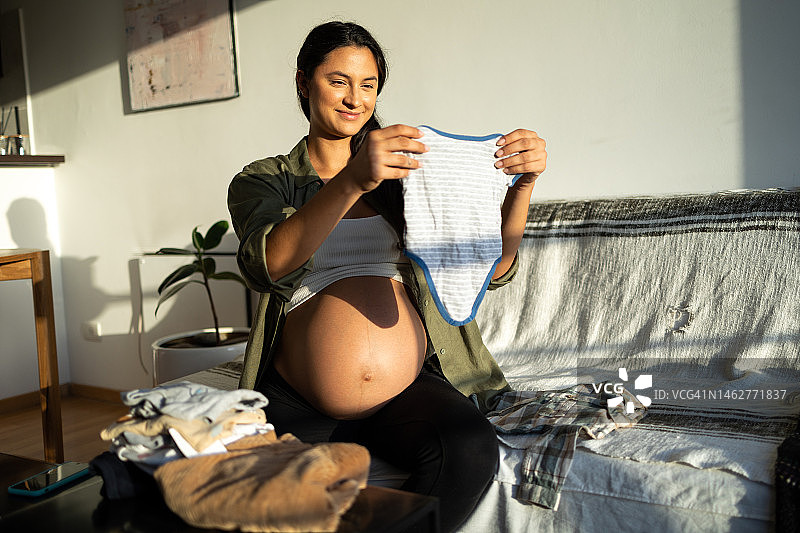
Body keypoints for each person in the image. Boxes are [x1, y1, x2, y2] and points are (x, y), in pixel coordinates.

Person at [228, 20, 546, 532]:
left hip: (407, 391)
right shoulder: (267, 178)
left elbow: (493, 270)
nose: (356, 99)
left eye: (368, 85)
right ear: (303, 82)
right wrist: (354, 179)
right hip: (297, 394)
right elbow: (267, 263)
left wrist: (522, 187)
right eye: (338, 81)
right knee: (260, 495)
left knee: (469, 449)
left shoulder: (413, 175)